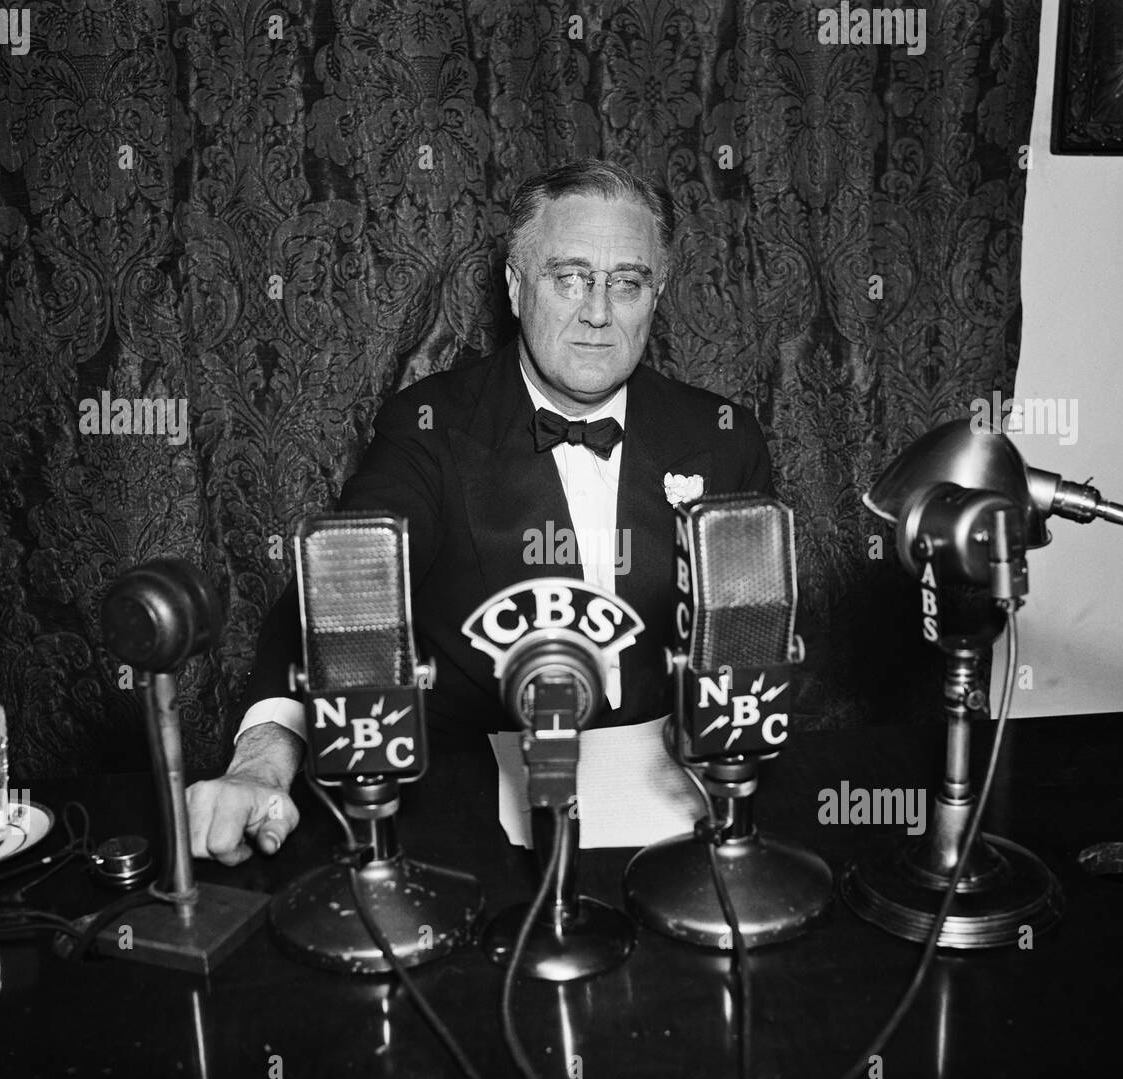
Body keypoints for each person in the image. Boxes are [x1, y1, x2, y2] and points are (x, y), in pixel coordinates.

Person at [186, 159, 775, 864]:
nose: (597, 310)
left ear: (658, 294)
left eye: (627, 282)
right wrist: (264, 757)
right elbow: (342, 584)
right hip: (473, 827)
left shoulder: (722, 436)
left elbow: (758, 636)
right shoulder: (428, 426)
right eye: (568, 276)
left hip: (675, 820)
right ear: (516, 285)